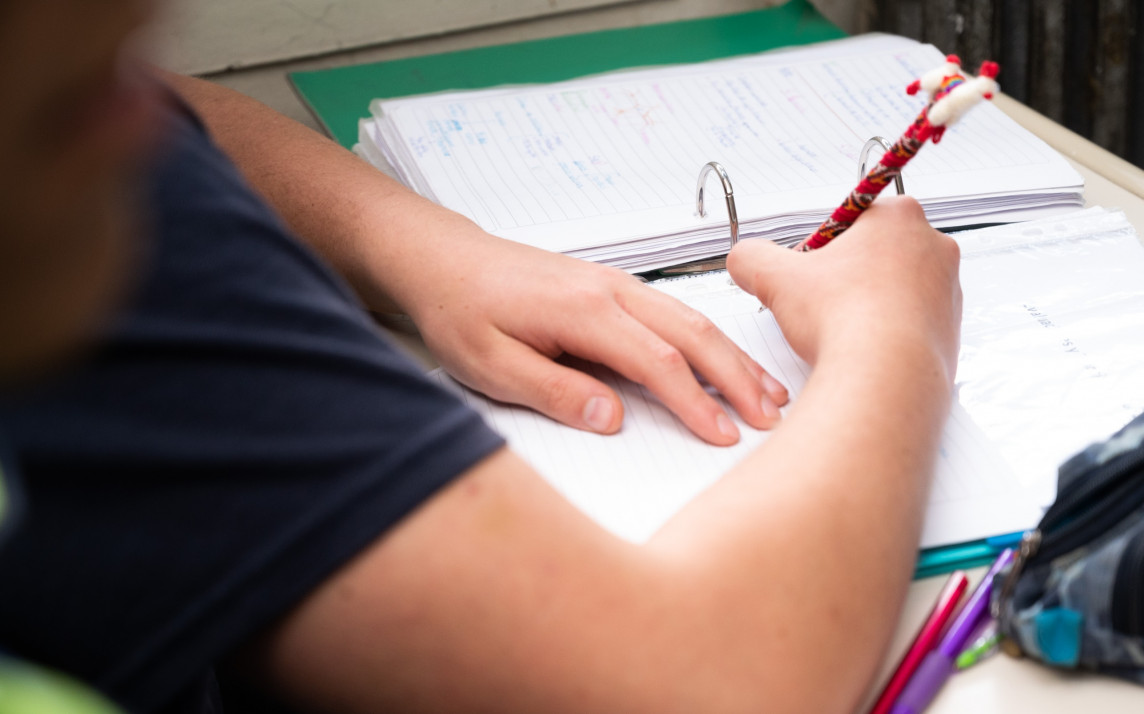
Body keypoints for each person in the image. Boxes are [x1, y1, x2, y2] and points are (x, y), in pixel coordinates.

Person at [0, 0, 963, 712]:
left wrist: (414, 243)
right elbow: (712, 687)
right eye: (86, 96)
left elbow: (172, 107)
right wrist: (894, 334)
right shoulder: (109, 254)